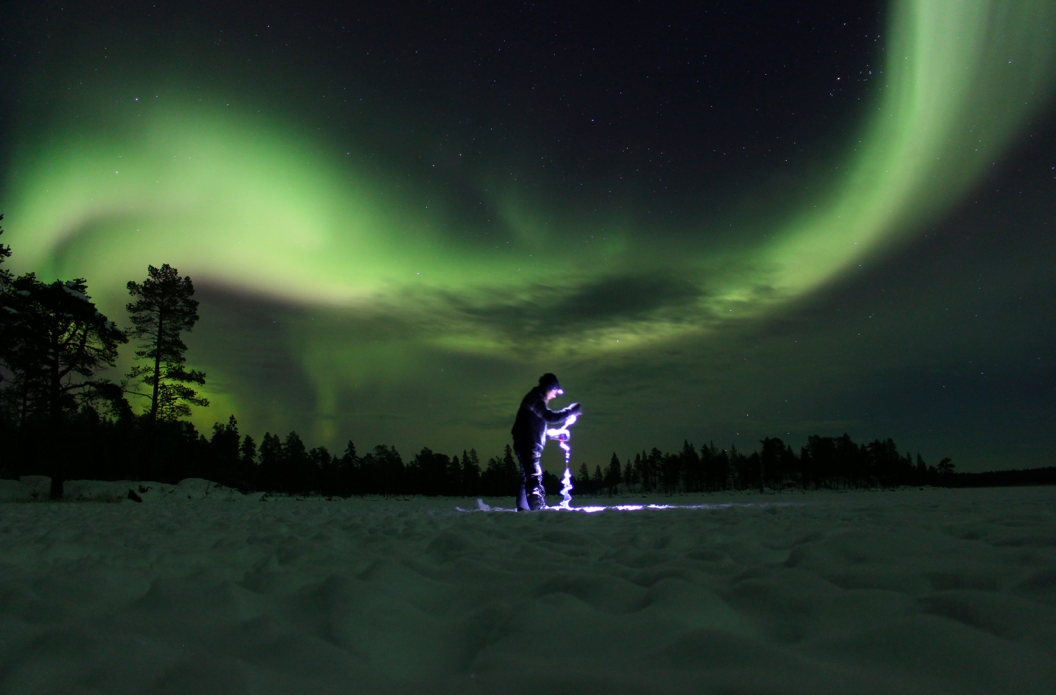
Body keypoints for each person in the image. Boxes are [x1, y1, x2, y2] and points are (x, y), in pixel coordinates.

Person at [510, 373, 582, 511]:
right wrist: (571, 410)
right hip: (527, 443)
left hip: (526, 441)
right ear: (548, 388)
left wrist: (557, 434)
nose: (554, 396)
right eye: (554, 391)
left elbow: (536, 428)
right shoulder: (534, 398)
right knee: (533, 475)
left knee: (527, 476)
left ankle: (523, 509)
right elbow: (550, 417)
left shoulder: (535, 400)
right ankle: (538, 510)